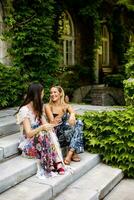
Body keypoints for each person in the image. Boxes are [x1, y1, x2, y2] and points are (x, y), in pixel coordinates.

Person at [16, 83, 65, 177]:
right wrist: (42, 127)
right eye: (42, 93)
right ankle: (51, 163)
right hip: (28, 144)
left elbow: (45, 123)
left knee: (48, 132)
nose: (43, 95)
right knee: (43, 133)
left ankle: (56, 162)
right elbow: (29, 134)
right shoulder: (24, 110)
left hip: (41, 141)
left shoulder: (38, 107)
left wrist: (52, 125)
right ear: (37, 94)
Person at [45, 85, 84, 165]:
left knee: (79, 122)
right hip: (56, 134)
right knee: (67, 119)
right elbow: (52, 123)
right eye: (51, 93)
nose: (52, 94)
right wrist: (64, 113)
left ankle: (70, 153)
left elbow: (73, 112)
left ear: (60, 94)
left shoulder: (66, 105)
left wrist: (72, 114)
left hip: (67, 133)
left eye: (55, 92)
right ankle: (73, 152)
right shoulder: (48, 106)